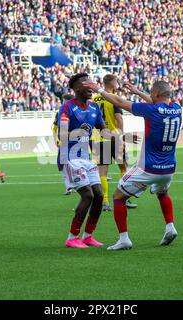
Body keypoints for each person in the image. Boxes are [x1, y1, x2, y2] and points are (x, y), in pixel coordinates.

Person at [83, 80, 182, 250]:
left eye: (151, 93)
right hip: (169, 168)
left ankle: (124, 239)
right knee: (162, 192)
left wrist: (98, 89)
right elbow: (157, 102)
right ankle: (170, 226)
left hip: (148, 168)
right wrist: (138, 92)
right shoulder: (177, 109)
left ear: (156, 94)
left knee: (118, 196)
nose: (149, 96)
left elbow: (120, 102)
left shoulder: (150, 111)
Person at [57, 73, 106, 249]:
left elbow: (103, 129)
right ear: (77, 88)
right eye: (87, 84)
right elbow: (61, 135)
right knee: (88, 195)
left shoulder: (94, 108)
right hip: (69, 158)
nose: (91, 86)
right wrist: (79, 132)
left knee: (99, 196)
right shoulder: (67, 108)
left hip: (85, 158)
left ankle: (88, 236)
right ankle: (72, 237)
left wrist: (122, 138)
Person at [91, 75, 138, 211]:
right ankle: (123, 198)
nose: (118, 84)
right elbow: (119, 119)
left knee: (103, 171)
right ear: (112, 83)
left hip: (98, 138)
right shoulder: (113, 99)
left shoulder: (94, 100)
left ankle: (104, 201)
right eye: (117, 81)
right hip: (114, 137)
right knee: (123, 168)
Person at [52, 93, 74, 196]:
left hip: (74, 143)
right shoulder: (60, 112)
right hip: (65, 142)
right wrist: (56, 138)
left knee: (76, 164)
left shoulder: (75, 111)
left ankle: (76, 184)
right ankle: (68, 186)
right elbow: (55, 128)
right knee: (63, 165)